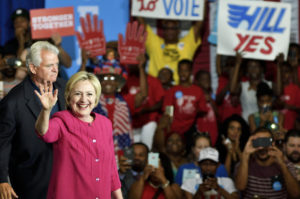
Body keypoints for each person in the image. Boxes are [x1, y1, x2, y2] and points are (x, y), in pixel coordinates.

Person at [35, 71, 123, 199]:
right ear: (68, 96)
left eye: (89, 94)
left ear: (96, 98)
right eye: (77, 94)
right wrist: (46, 110)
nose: (84, 99)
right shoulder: (61, 121)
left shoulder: (105, 123)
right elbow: (43, 132)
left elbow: (112, 169)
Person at [0, 41, 66, 199]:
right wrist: (2, 180)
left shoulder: (66, 88)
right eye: (49, 65)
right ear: (33, 68)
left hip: (66, 175)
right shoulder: (13, 102)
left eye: (57, 64)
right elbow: (2, 143)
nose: (55, 69)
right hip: (32, 180)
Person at [137, 7, 205, 84]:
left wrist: (203, 3)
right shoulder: (154, 43)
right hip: (157, 89)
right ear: (163, 31)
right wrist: (136, 4)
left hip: (179, 89)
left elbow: (200, 22)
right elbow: (141, 22)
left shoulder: (187, 44)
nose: (170, 31)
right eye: (167, 28)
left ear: (178, 31)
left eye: (173, 28)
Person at [235, 127, 300, 199]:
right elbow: (240, 187)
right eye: (258, 142)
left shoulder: (287, 165)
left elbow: (295, 194)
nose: (262, 147)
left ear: (273, 143)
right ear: (252, 143)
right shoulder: (243, 164)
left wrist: (282, 164)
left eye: (265, 141)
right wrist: (245, 155)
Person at [174, 133, 228, 198]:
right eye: (199, 147)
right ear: (193, 149)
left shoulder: (220, 168)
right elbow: (177, 192)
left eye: (206, 147)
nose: (203, 151)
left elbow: (227, 191)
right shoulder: (183, 168)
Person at [194, 70, 218, 145]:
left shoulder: (212, 95)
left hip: (213, 131)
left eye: (208, 79)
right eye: (203, 79)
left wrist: (210, 100)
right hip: (200, 131)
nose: (207, 81)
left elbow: (217, 114)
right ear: (197, 82)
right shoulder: (195, 96)